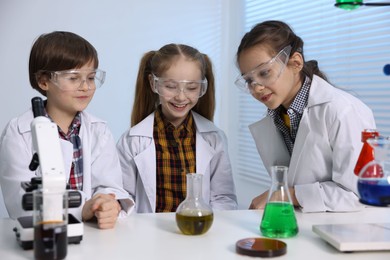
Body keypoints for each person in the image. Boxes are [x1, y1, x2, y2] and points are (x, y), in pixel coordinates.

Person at [235, 20, 376, 213]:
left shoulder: (342, 110)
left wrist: (281, 194)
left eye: (265, 72)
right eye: (249, 80)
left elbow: (359, 194)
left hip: (346, 232)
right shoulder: (278, 117)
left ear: (296, 63)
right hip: (307, 225)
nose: (257, 87)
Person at [0, 31, 133, 228]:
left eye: (91, 77)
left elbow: (109, 185)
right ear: (44, 81)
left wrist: (105, 203)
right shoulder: (18, 132)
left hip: (93, 236)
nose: (85, 87)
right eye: (73, 78)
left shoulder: (98, 130)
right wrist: (82, 208)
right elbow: (21, 200)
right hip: (43, 234)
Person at [117, 43, 237, 213]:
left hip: (198, 232)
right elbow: (124, 199)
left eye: (192, 88)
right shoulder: (132, 141)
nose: (181, 97)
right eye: (171, 86)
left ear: (202, 86)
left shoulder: (214, 138)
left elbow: (223, 198)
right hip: (149, 235)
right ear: (153, 83)